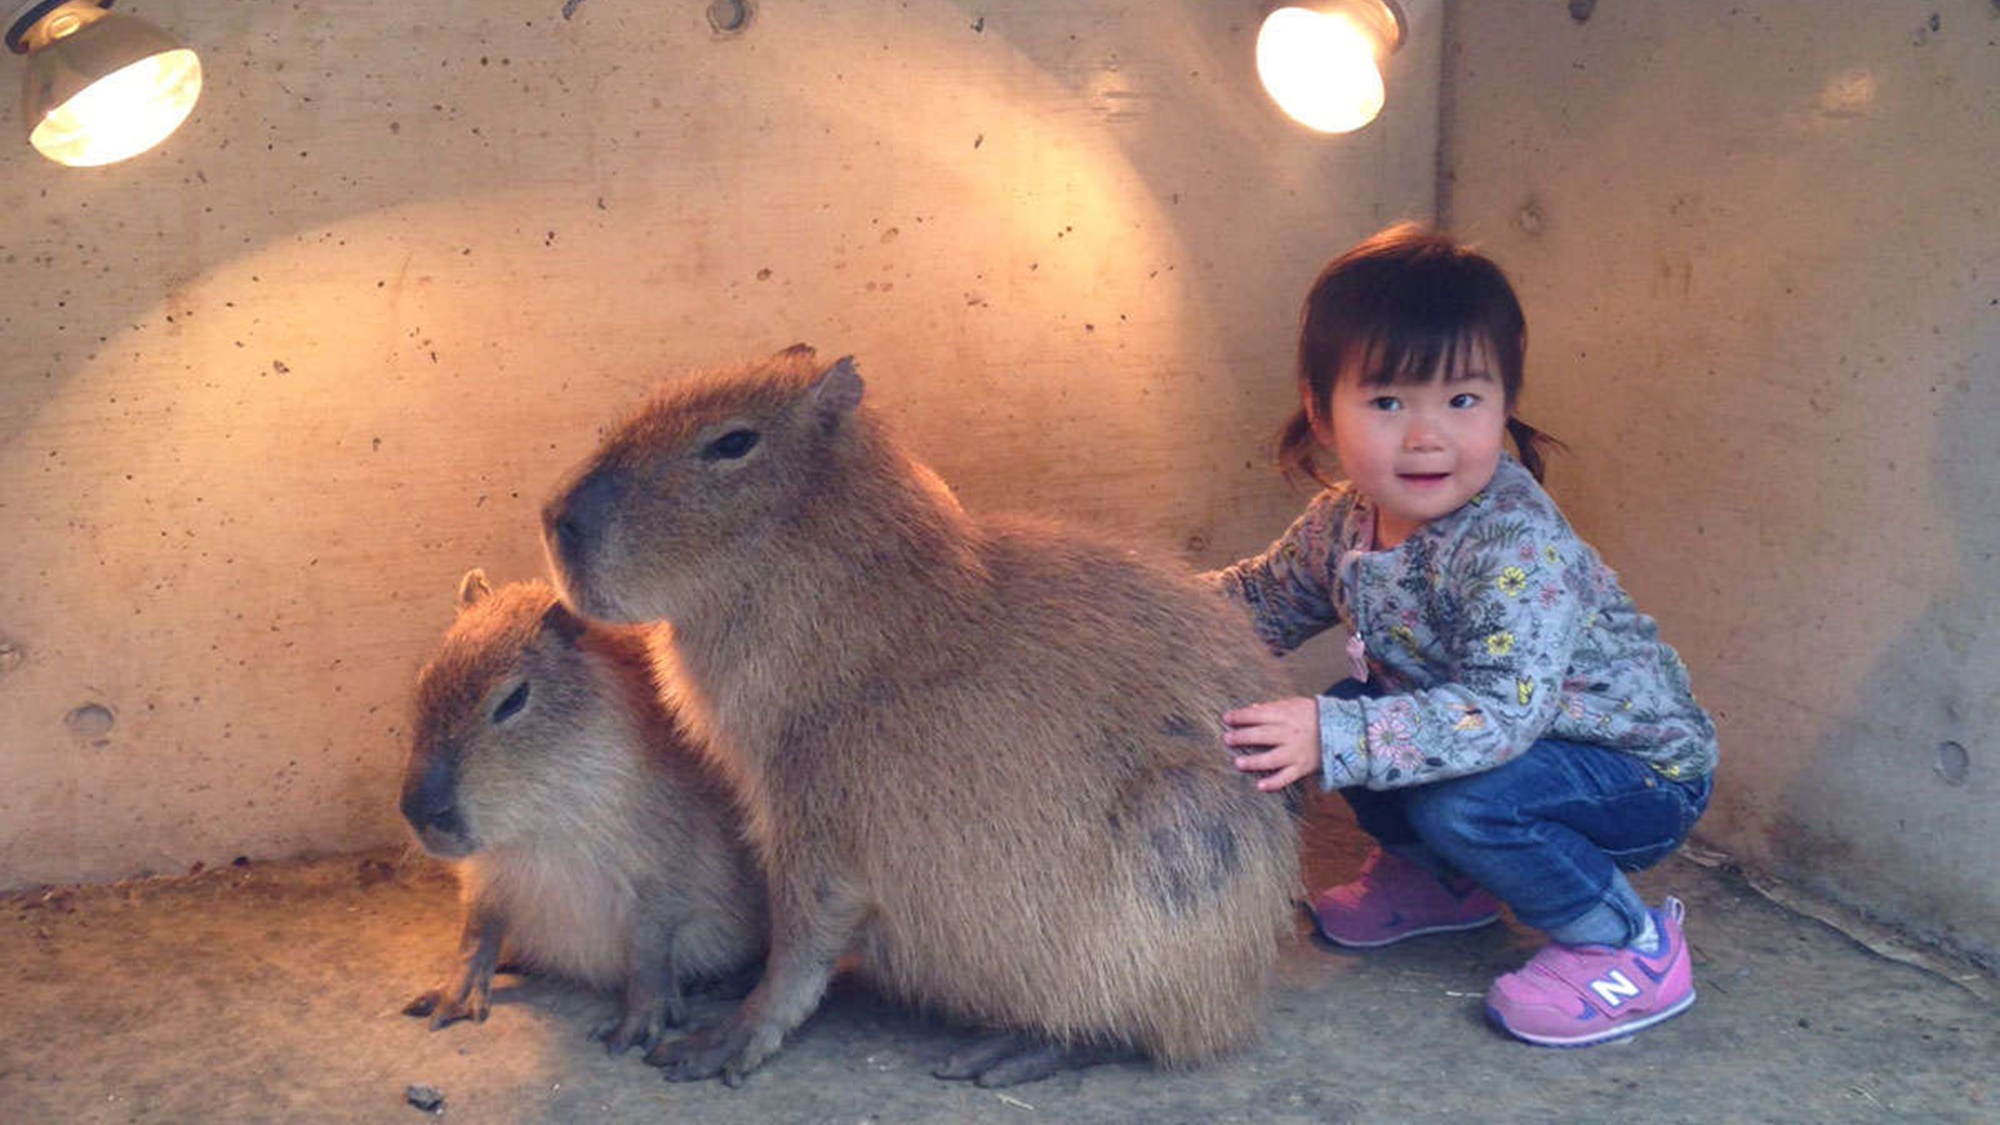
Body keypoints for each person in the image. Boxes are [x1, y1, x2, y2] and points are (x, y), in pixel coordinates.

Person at [1211, 222, 1718, 1048]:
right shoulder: (1343, 521)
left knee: (1443, 786)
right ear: (1320, 410)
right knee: (1353, 712)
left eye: (1462, 399)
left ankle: (1626, 943)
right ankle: (1445, 882)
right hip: (1515, 743)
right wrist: (1137, 615)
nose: (1426, 435)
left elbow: (1502, 711)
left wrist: (1337, 734)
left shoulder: (1514, 543)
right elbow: (1258, 598)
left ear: (1505, 404)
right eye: (1386, 401)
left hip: (1634, 771)